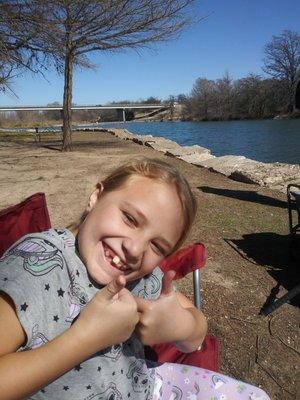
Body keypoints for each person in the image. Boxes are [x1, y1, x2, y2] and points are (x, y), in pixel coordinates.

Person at [0, 158, 270, 400]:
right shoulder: (38, 263)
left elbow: (196, 332)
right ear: (96, 196)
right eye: (130, 218)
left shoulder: (140, 278)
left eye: (157, 247)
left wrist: (180, 326)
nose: (135, 249)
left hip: (146, 388)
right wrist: (86, 339)